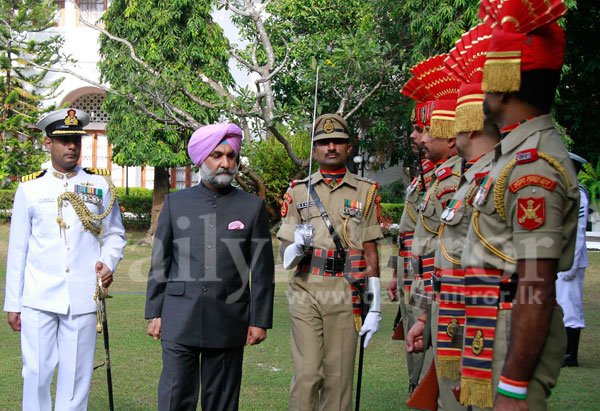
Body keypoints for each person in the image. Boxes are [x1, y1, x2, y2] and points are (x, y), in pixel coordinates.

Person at [460, 1, 579, 409]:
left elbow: (537, 283)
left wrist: (512, 387)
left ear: (504, 81)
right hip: (492, 321)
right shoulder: (512, 157)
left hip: (512, 327)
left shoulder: (534, 167)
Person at [145, 123, 275, 411]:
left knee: (222, 404)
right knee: (174, 399)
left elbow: (263, 271)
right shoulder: (175, 203)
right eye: (217, 155)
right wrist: (154, 311)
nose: (225, 163)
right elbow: (160, 262)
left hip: (229, 319)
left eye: (231, 156)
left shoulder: (252, 207)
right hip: (179, 317)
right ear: (202, 158)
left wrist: (259, 319)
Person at [3, 108, 127, 410]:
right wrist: (13, 304)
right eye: (64, 140)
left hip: (83, 297)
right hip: (37, 297)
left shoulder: (99, 185)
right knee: (35, 374)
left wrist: (109, 261)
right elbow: (18, 249)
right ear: (48, 143)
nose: (72, 146)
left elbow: (115, 234)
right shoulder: (30, 188)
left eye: (76, 139)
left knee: (75, 379)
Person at [277, 113, 383, 411]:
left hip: (346, 291)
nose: (331, 147)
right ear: (314, 151)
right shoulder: (298, 191)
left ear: (349, 148)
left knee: (338, 381)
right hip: (307, 287)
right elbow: (285, 258)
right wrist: (298, 245)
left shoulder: (367, 191)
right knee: (308, 374)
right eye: (324, 143)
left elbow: (370, 249)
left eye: (337, 141)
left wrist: (374, 305)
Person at [389, 77, 436, 384]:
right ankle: (414, 386)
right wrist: (395, 273)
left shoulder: (443, 182)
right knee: (414, 335)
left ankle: (423, 388)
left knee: (430, 340)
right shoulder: (421, 180)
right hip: (410, 273)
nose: (413, 135)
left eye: (421, 129)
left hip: (428, 275)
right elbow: (405, 234)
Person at [556, 152, 589, 367]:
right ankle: (562, 351)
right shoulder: (567, 191)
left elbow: (578, 233)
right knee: (560, 304)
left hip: (571, 261)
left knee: (570, 306)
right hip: (561, 258)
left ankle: (570, 354)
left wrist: (571, 264)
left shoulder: (579, 195)